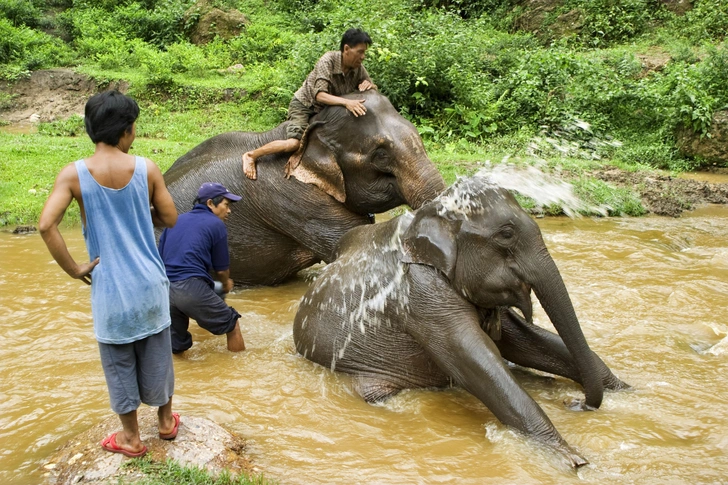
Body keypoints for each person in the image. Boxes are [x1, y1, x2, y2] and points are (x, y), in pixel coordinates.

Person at [39, 90, 180, 458]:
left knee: (119, 362)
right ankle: (165, 423)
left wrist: (75, 269)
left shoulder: (73, 175)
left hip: (110, 289)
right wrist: (139, 210)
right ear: (127, 130)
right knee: (158, 354)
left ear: (91, 128)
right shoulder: (147, 168)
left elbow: (45, 225)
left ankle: (131, 438)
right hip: (149, 283)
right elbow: (170, 218)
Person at [242, 27, 377, 180]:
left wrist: (370, 87)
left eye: (364, 52)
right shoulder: (328, 61)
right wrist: (347, 102)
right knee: (294, 144)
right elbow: (319, 96)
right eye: (360, 52)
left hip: (329, 110)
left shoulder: (358, 68)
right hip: (306, 105)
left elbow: (371, 87)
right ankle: (251, 155)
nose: (363, 56)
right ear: (346, 49)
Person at [158, 182, 246, 354]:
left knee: (176, 345)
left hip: (164, 290)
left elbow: (160, 259)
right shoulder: (216, 224)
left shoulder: (175, 221)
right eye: (226, 205)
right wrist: (226, 282)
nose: (229, 211)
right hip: (190, 288)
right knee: (232, 323)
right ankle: (239, 374)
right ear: (210, 203)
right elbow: (221, 270)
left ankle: (186, 378)